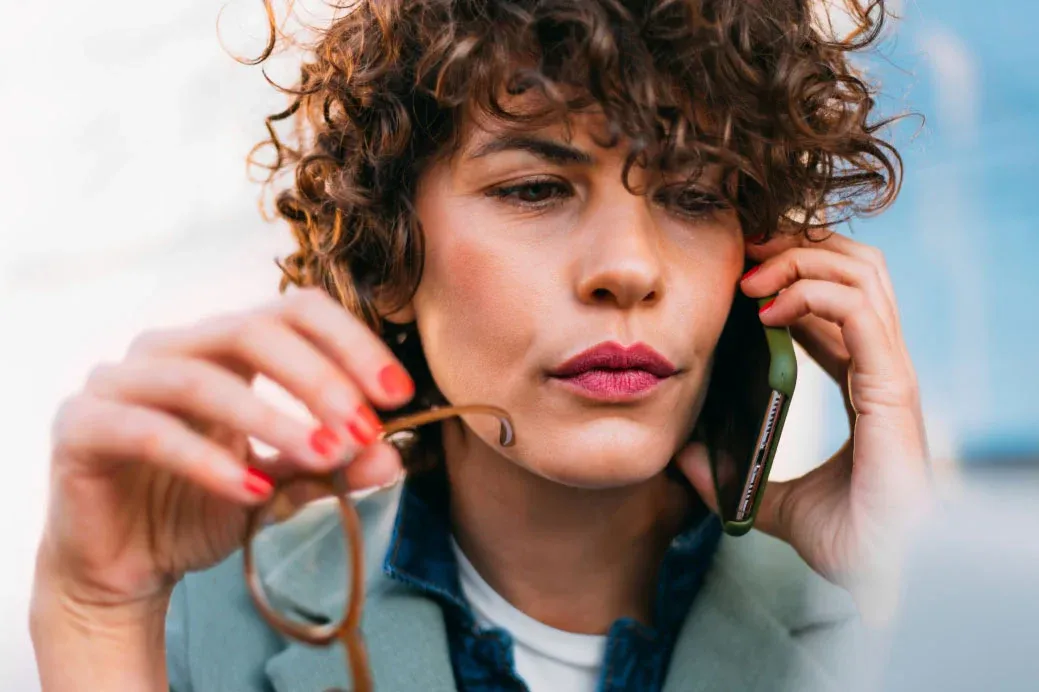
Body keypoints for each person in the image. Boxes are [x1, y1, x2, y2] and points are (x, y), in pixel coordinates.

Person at [29, 0, 932, 690]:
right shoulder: (191, 626)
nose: (628, 268)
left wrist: (908, 590)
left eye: (696, 198)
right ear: (391, 253)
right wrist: (96, 619)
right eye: (536, 189)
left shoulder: (882, 631)